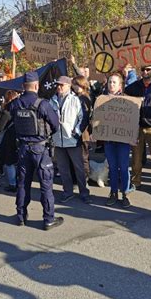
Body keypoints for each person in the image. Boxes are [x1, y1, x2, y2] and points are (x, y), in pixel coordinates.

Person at [8, 71, 63, 230]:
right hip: (40, 149)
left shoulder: (16, 104)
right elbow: (55, 125)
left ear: (23, 86)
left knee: (23, 183)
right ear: (37, 85)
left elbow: (10, 116)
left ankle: (21, 216)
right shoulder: (43, 104)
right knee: (46, 185)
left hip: (23, 149)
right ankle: (48, 219)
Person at [125, 64, 151, 197]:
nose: (145, 71)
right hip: (137, 127)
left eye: (148, 69)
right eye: (143, 69)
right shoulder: (134, 86)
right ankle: (135, 182)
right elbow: (124, 98)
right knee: (136, 159)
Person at [50, 76, 91, 204]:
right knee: (63, 169)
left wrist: (77, 132)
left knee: (78, 168)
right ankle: (67, 192)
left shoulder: (75, 100)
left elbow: (83, 118)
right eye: (58, 85)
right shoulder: (52, 101)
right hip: (58, 140)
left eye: (62, 85)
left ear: (68, 86)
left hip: (72, 140)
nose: (59, 87)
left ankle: (84, 192)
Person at [102, 73, 134, 207]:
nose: (111, 85)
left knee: (124, 167)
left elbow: (133, 120)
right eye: (110, 82)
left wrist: (133, 137)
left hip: (123, 141)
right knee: (113, 167)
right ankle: (113, 192)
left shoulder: (127, 101)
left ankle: (125, 193)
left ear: (120, 85)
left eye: (114, 82)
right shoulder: (102, 99)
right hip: (109, 140)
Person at [72, 75, 92, 178]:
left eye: (76, 84)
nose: (74, 86)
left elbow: (85, 116)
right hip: (81, 132)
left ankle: (85, 176)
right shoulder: (79, 96)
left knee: (83, 156)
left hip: (83, 133)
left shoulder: (83, 98)